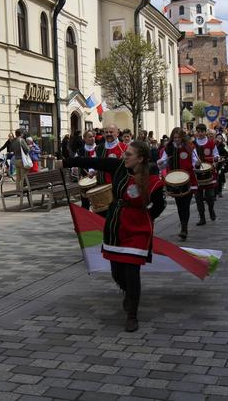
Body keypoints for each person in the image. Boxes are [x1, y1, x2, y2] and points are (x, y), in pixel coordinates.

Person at [61, 141, 166, 332]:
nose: (125, 156)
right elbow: (94, 161)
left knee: (132, 271)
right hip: (115, 225)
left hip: (137, 230)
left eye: (129, 154)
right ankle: (128, 293)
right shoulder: (118, 166)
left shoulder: (150, 176)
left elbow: (159, 205)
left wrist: (145, 217)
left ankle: (132, 314)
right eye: (125, 153)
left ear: (140, 158)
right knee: (117, 272)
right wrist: (66, 162)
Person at [160, 127, 198, 240]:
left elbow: (195, 162)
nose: (176, 139)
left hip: (188, 180)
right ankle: (183, 224)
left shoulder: (190, 147)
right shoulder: (169, 148)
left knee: (185, 205)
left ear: (182, 137)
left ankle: (184, 228)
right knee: (179, 205)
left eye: (178, 137)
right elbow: (163, 163)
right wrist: (161, 162)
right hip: (174, 181)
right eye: (175, 137)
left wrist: (197, 164)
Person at [193, 124, 218, 225]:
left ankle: (211, 210)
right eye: (198, 131)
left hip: (209, 173)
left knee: (210, 196)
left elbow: (216, 154)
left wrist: (216, 158)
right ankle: (202, 218)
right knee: (198, 197)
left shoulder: (211, 143)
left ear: (205, 132)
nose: (199, 133)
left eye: (201, 131)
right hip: (197, 174)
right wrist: (196, 163)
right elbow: (191, 157)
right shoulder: (193, 144)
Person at [75, 130, 98, 210]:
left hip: (98, 179)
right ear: (84, 139)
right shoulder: (80, 151)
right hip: (85, 179)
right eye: (90, 137)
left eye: (93, 136)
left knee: (98, 203)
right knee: (85, 203)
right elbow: (76, 165)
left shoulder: (100, 149)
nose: (92, 138)